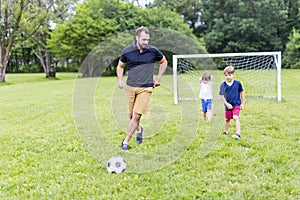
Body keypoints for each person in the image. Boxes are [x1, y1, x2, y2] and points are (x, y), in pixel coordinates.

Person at [116, 26, 168, 150]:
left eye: (147, 40)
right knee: (131, 116)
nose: (146, 42)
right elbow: (120, 66)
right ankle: (139, 129)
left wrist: (159, 78)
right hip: (130, 87)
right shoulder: (127, 51)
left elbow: (164, 61)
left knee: (137, 116)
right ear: (137, 38)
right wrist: (119, 79)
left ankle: (126, 141)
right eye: (143, 40)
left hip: (146, 87)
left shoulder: (153, 51)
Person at [219, 66, 245, 139]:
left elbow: (242, 93)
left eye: (229, 75)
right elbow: (221, 95)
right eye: (226, 75)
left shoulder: (237, 84)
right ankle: (226, 131)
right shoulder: (223, 85)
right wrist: (226, 104)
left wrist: (243, 103)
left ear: (233, 74)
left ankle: (238, 134)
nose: (228, 77)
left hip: (236, 104)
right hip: (228, 106)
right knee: (227, 119)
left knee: (235, 117)